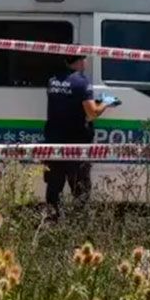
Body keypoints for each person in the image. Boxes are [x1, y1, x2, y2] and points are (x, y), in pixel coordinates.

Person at [42, 54, 114, 219]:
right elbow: (92, 113)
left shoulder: (52, 81)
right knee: (80, 189)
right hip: (76, 144)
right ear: (80, 61)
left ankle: (52, 223)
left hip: (54, 142)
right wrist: (106, 102)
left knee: (54, 188)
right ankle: (79, 224)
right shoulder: (82, 82)